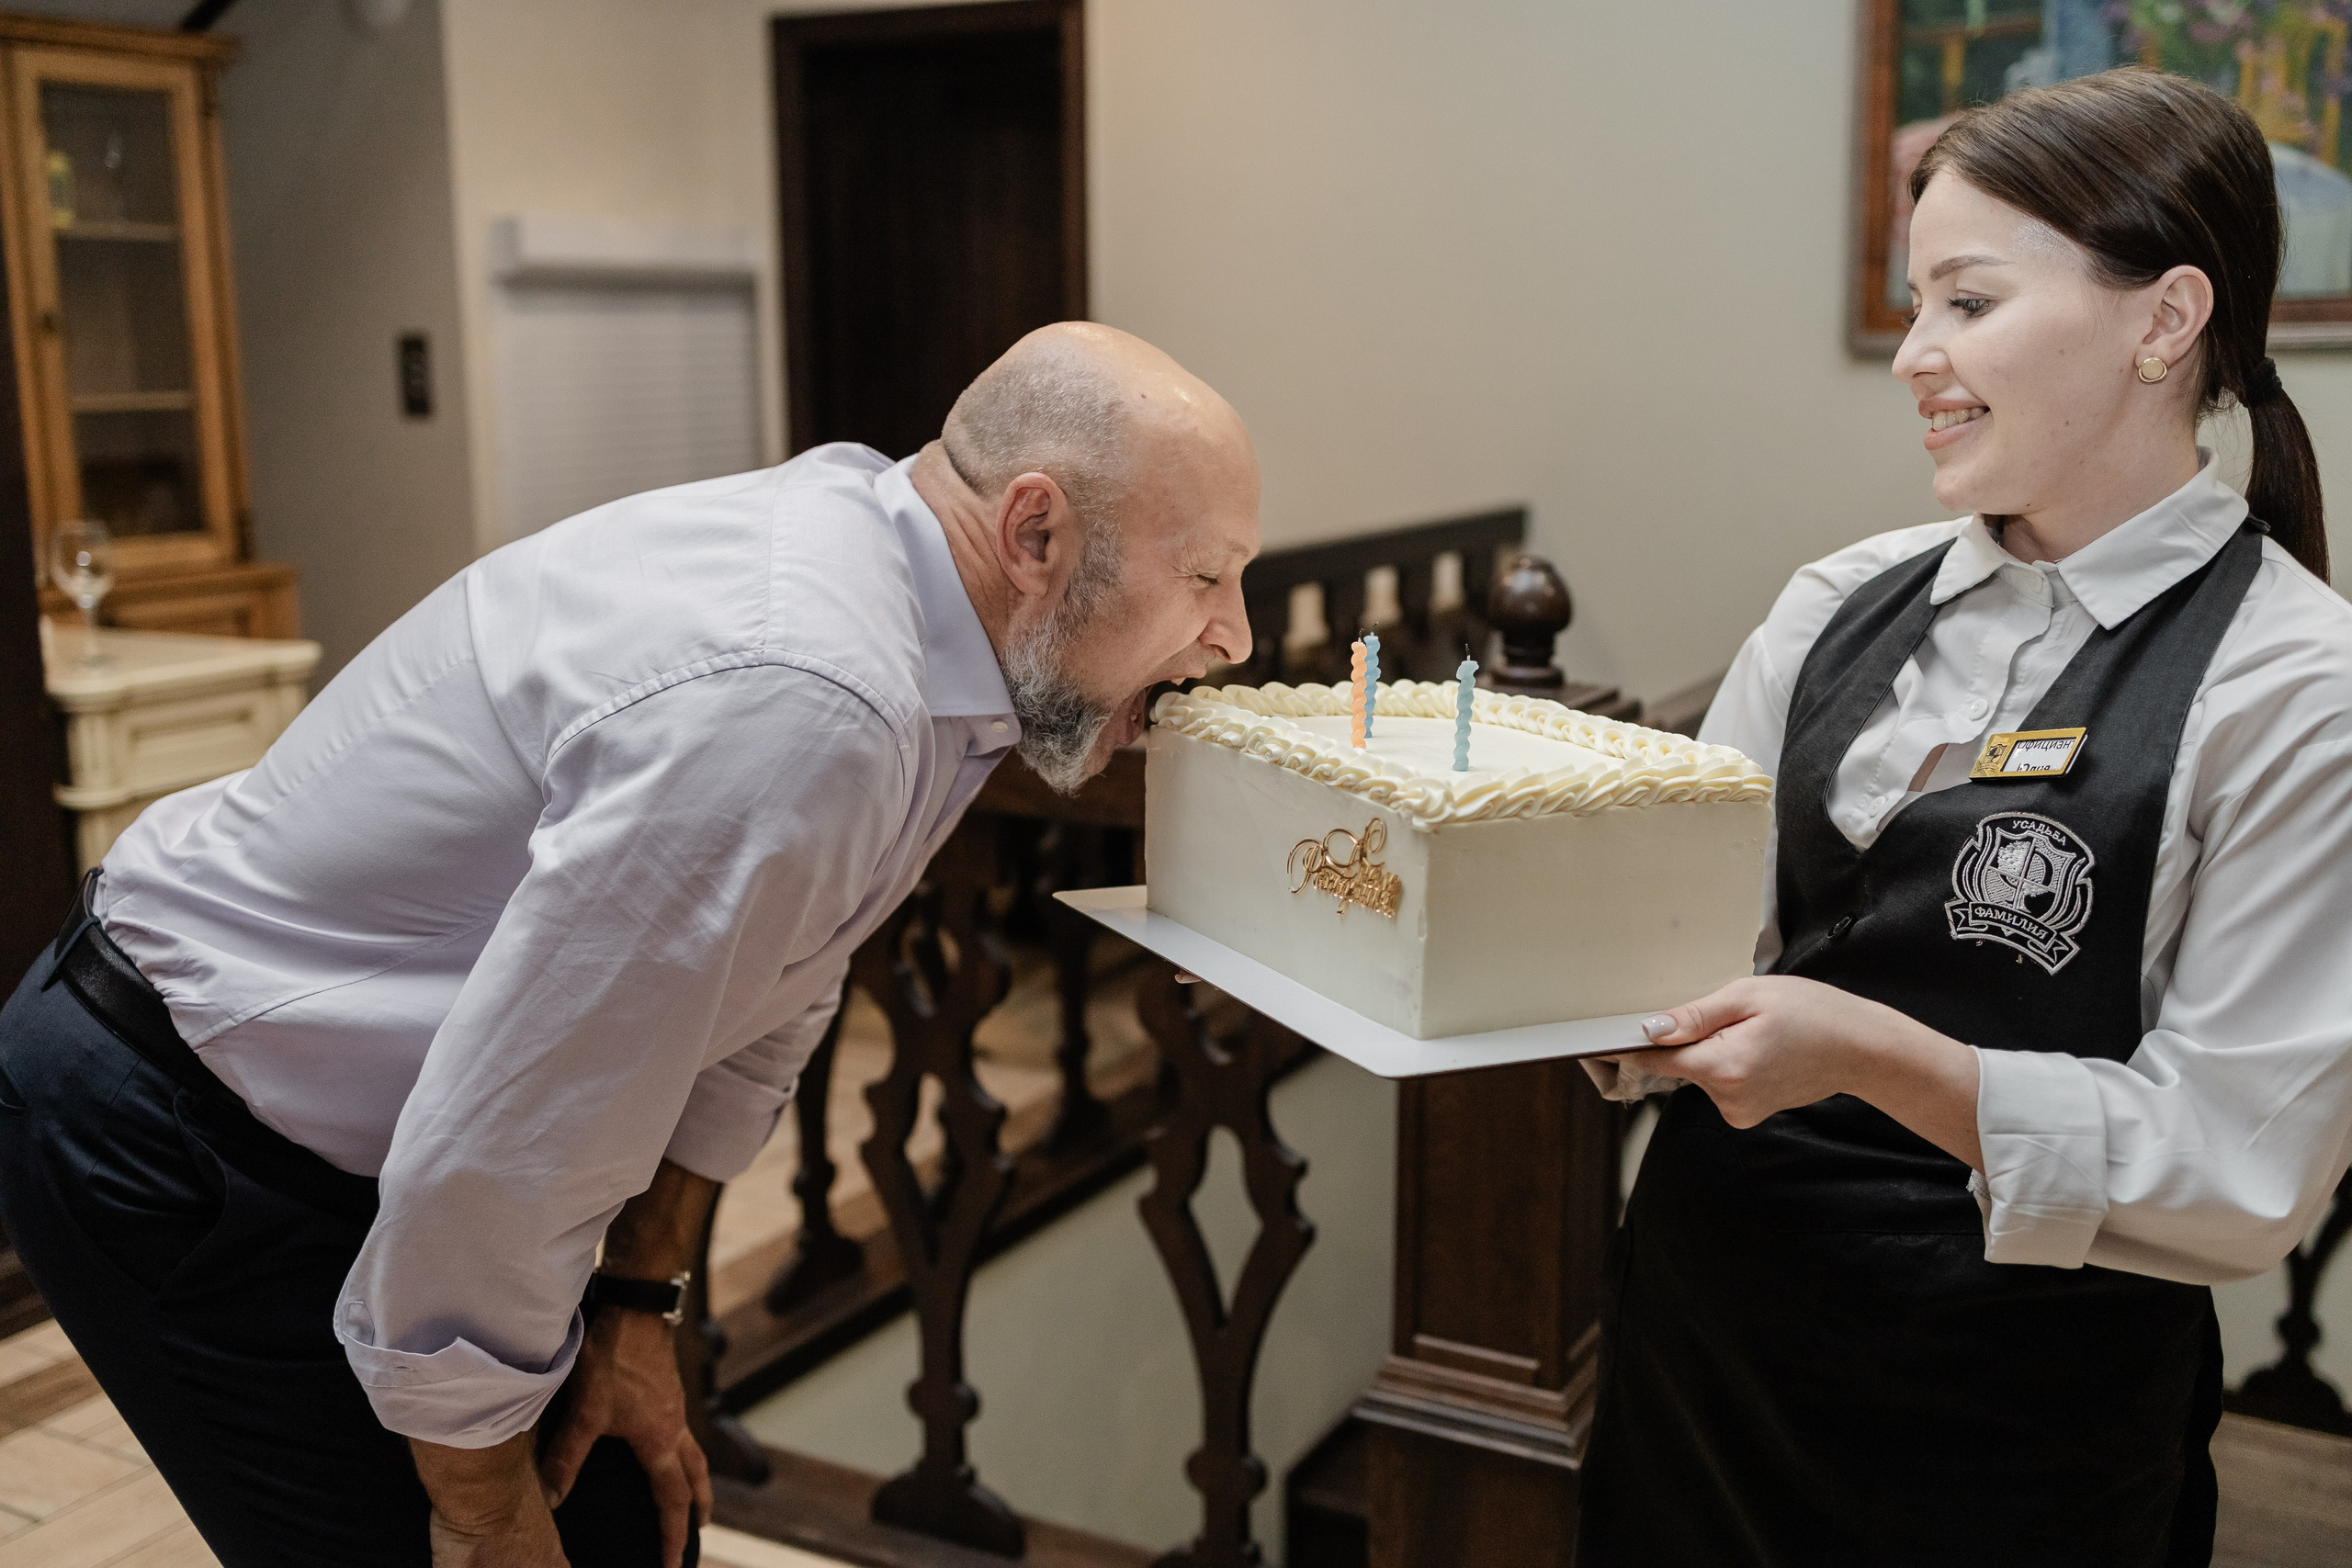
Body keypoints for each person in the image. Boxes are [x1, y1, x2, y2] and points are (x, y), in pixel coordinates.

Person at [0, 321, 1260, 1568]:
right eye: (1205, 577)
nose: (1236, 636)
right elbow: (506, 1146)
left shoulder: (927, 640)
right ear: (1035, 535)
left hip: (376, 1135)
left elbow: (773, 1006)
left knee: (620, 1524)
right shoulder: (811, 695)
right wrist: (488, 1513)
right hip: (166, 1112)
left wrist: (637, 1305)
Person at [1578, 69, 2352, 1567]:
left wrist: (1867, 1054)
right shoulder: (1831, 605)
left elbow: (2242, 1171)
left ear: (2165, 320)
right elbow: (1682, 933)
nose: (1916, 357)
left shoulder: (2296, 684)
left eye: (1969, 303)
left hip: (2012, 1426)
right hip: (1704, 1353)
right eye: (1915, 303)